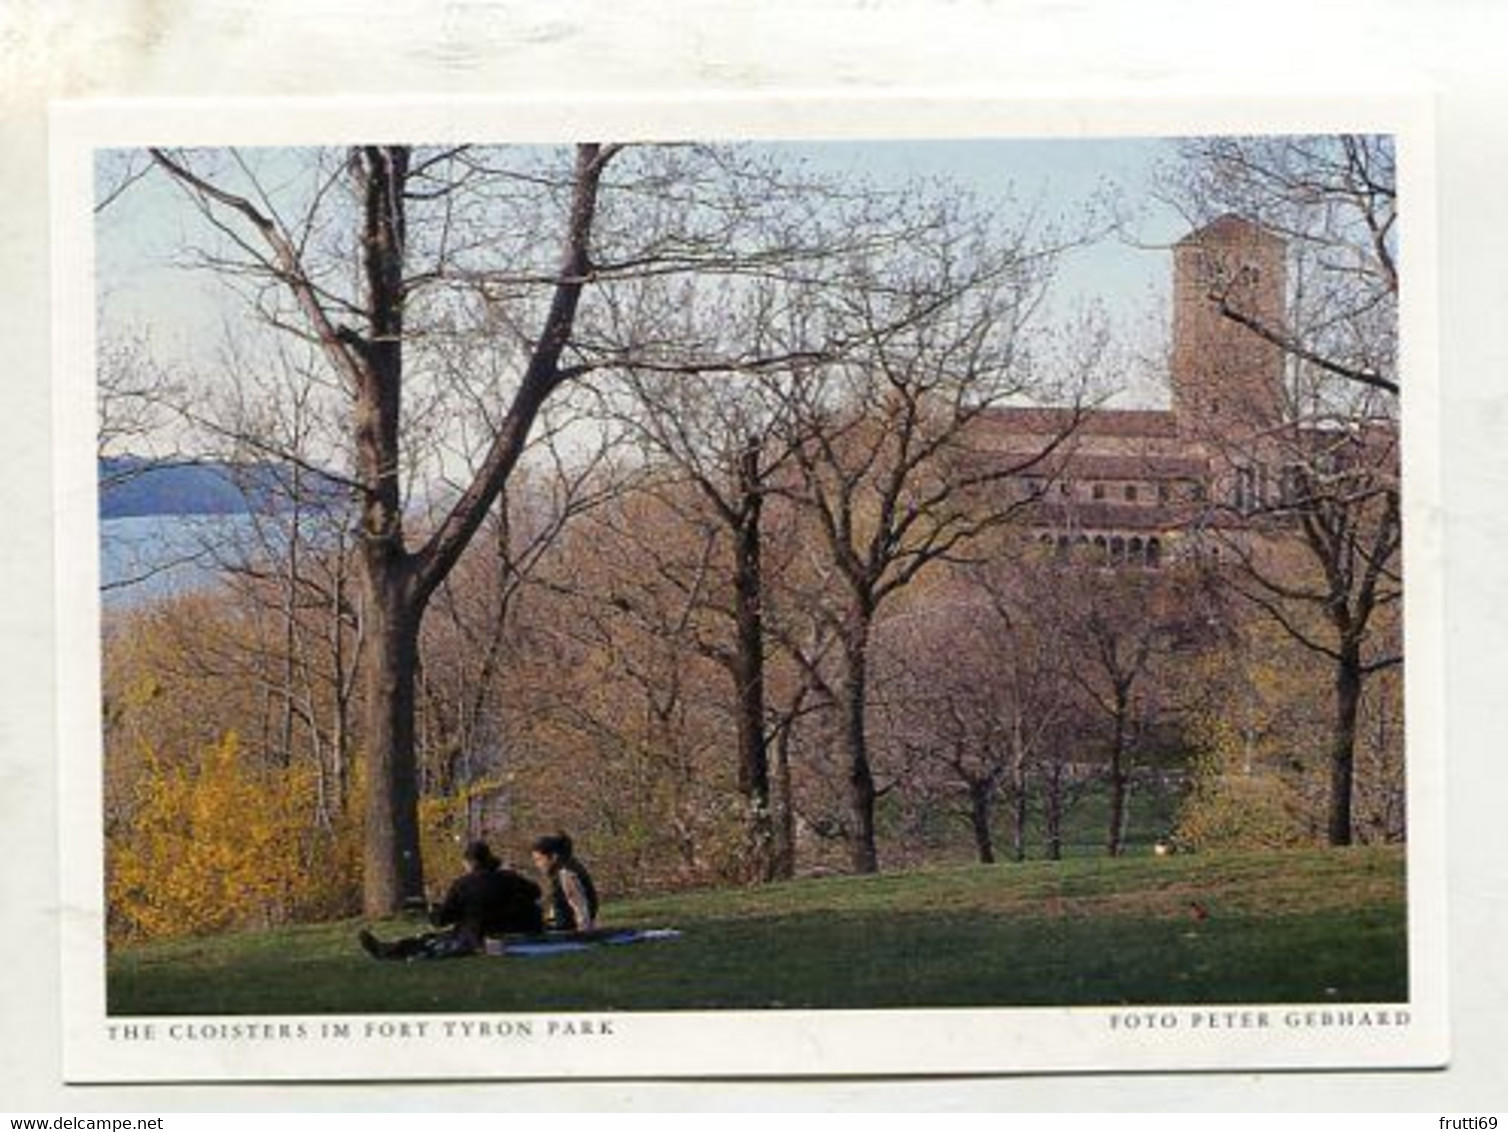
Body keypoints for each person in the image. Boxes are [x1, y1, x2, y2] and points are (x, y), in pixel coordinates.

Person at [358, 839, 543, 960]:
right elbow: (536, 892)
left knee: (428, 939)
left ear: (468, 862)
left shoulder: (462, 884)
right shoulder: (510, 878)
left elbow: (441, 920)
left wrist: (432, 910)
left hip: (477, 934)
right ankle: (388, 950)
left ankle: (387, 951)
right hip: (514, 929)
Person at [530, 833, 599, 934]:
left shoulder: (566, 874)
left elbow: (580, 908)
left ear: (553, 857)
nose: (537, 865)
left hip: (567, 933)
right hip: (563, 929)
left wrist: (584, 936)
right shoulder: (565, 869)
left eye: (539, 859)